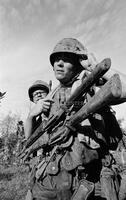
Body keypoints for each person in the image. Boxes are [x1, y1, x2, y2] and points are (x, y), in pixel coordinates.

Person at [26, 38, 126, 200]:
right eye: (56, 60)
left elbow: (123, 87)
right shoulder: (51, 98)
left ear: (79, 63)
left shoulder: (90, 84)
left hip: (91, 177)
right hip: (54, 177)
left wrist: (94, 66)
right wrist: (31, 115)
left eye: (66, 60)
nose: (59, 63)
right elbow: (29, 141)